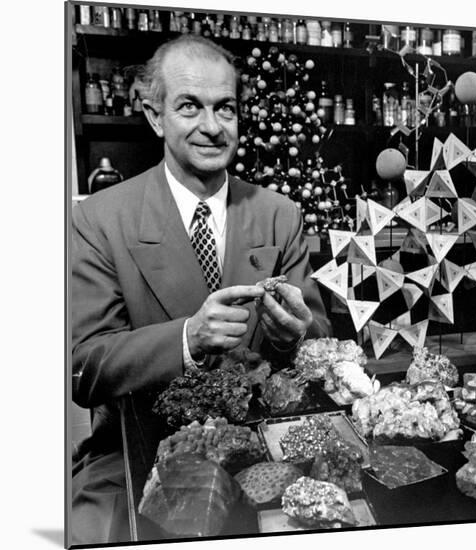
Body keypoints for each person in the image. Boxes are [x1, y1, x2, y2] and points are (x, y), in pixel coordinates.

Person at [71, 34, 331, 545]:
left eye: (226, 108)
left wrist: (297, 334)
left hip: (268, 443)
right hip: (140, 448)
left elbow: (320, 339)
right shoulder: (100, 219)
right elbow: (84, 369)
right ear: (154, 116)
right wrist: (187, 338)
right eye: (190, 106)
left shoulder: (279, 215)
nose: (212, 127)